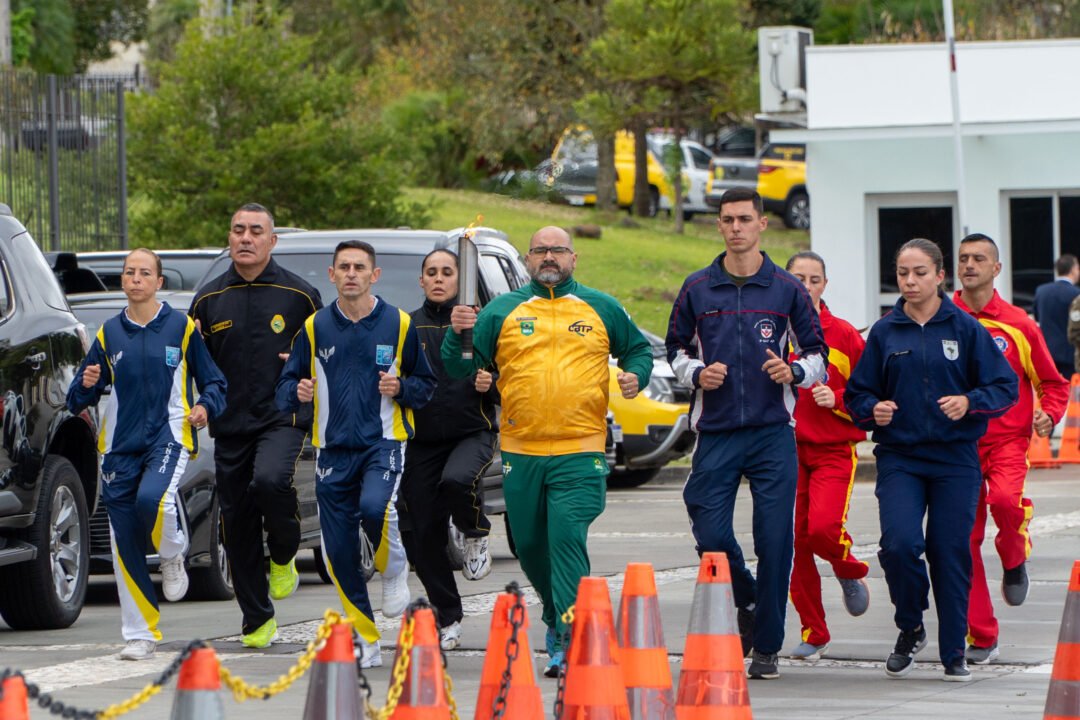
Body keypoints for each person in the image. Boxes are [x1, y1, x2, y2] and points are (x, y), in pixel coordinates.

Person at [442, 226, 652, 678]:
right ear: (528, 260)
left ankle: (570, 638)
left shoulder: (601, 307)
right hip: (522, 449)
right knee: (533, 548)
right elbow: (460, 364)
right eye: (540, 251)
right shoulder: (502, 310)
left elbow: (637, 351)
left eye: (558, 250)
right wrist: (456, 335)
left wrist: (637, 375)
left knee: (566, 539)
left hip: (581, 450)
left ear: (573, 258)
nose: (549, 257)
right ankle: (556, 617)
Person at [665, 187, 827, 681]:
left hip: (772, 432)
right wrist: (695, 374)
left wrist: (795, 373)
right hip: (715, 431)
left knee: (775, 540)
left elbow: (817, 355)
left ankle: (767, 647)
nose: (735, 227)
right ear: (719, 226)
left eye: (744, 219)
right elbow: (674, 351)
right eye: (727, 220)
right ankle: (748, 595)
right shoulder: (697, 288)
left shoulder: (786, 289)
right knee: (710, 532)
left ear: (761, 225)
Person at [845, 238, 1018, 683]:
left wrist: (969, 402)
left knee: (950, 551)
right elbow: (858, 393)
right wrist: (871, 410)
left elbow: (1004, 388)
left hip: (955, 459)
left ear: (940, 276)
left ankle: (953, 650)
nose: (910, 281)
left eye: (920, 272)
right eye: (903, 273)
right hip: (900, 457)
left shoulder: (964, 328)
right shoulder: (885, 331)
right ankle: (911, 625)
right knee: (900, 545)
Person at [276, 240, 436, 668]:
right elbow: (284, 387)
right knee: (339, 551)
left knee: (374, 507)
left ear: (373, 275)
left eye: (359, 267)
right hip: (331, 449)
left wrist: (401, 388)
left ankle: (395, 566)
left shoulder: (398, 324)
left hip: (383, 442)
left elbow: (425, 386)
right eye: (343, 267)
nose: (350, 273)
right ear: (332, 275)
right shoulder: (315, 327)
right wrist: (297, 390)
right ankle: (365, 639)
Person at [67, 249, 227, 661]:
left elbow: (214, 382)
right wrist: (86, 383)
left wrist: (205, 406)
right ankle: (140, 633)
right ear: (123, 281)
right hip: (119, 448)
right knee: (125, 543)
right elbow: (77, 400)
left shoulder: (181, 328)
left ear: (159, 282)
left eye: (144, 273)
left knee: (151, 498)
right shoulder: (107, 334)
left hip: (169, 435)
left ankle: (173, 552)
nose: (135, 279)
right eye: (129, 273)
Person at [189, 203, 323, 649]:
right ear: (229, 238)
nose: (245, 238)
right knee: (237, 521)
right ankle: (256, 618)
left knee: (270, 481)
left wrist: (304, 368)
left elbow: (325, 355)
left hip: (282, 418)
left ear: (272, 241)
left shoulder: (299, 296)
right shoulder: (208, 300)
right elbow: (193, 363)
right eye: (238, 230)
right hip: (230, 425)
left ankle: (284, 553)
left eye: (255, 231)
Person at [953, 233, 1068, 663]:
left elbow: (1053, 384)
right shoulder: (943, 317)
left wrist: (1049, 416)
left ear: (996, 269)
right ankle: (981, 636)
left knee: (1005, 501)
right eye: (963, 258)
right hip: (957, 446)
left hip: (1006, 441)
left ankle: (1014, 557)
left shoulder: (1019, 324)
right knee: (962, 541)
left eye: (979, 258)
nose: (970, 265)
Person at [399, 249, 499, 651]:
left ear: (461, 281)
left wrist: (489, 384)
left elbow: (510, 380)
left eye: (447, 273)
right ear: (421, 281)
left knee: (458, 480)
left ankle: (475, 531)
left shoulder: (483, 324)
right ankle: (448, 615)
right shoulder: (407, 326)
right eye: (431, 273)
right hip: (421, 441)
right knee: (422, 536)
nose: (439, 279)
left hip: (471, 432)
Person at [784, 251, 870, 663]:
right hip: (782, 452)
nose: (806, 286)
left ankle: (847, 566)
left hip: (834, 450)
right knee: (793, 543)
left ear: (824, 284)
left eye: (814, 279)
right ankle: (814, 632)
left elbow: (870, 397)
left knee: (821, 529)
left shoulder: (845, 335)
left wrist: (834, 398)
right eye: (798, 278)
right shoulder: (771, 332)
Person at [1032, 253, 1080, 380]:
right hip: (1070, 355)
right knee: (1072, 394)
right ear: (1073, 269)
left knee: (1050, 392)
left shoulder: (1041, 291)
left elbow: (1037, 317)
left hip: (1047, 352)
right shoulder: (1076, 293)